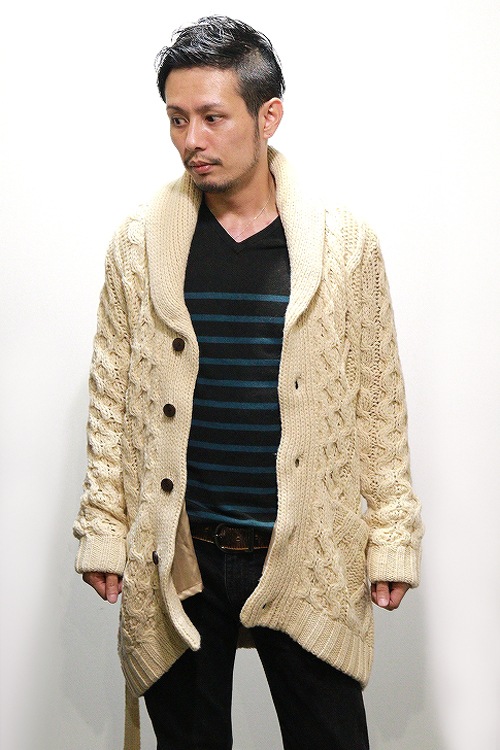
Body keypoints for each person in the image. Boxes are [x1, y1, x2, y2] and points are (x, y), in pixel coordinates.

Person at [73, 15, 423, 750]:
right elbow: (111, 395)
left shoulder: (342, 242)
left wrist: (392, 532)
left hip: (304, 549)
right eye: (176, 119)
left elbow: (378, 399)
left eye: (212, 117)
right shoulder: (140, 242)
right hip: (180, 554)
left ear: (268, 116)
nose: (191, 139)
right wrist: (103, 527)